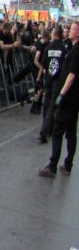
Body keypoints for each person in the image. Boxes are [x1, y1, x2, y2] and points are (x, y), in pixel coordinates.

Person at [40, 22, 79, 177]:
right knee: (71, 132)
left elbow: (71, 75)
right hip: (73, 98)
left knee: (57, 131)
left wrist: (61, 94)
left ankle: (52, 166)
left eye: (72, 29)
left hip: (69, 98)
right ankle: (68, 164)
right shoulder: (71, 47)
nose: (69, 31)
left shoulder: (76, 51)